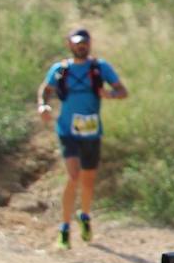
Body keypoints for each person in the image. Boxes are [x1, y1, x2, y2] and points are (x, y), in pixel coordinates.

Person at [37, 28, 128, 250]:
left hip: (91, 131)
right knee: (73, 175)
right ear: (69, 44)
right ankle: (64, 228)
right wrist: (43, 105)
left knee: (88, 179)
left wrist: (110, 95)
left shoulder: (100, 68)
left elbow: (122, 91)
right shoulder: (60, 69)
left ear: (89, 43)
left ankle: (84, 215)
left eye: (84, 43)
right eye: (77, 43)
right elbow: (45, 89)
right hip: (67, 130)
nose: (81, 46)